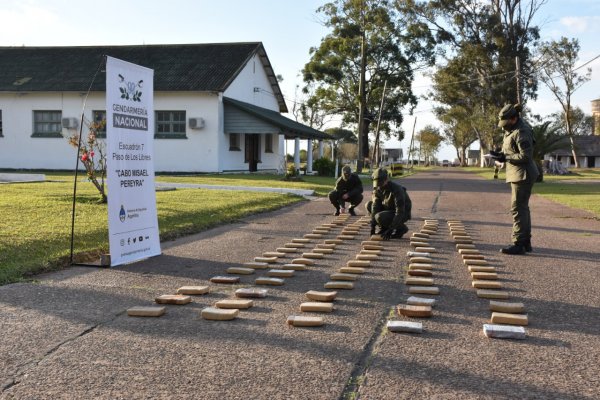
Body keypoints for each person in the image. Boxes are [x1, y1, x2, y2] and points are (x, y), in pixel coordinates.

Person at [489, 103, 539, 255]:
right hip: (517, 173)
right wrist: (500, 155)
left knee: (518, 208)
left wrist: (506, 157)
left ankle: (519, 243)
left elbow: (525, 156)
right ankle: (525, 242)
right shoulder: (511, 129)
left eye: (506, 122)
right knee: (522, 208)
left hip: (523, 174)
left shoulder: (522, 131)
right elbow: (510, 149)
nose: (503, 126)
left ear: (514, 118)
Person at [365, 168, 412, 240]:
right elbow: (375, 206)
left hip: (402, 213)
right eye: (377, 183)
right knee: (369, 205)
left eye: (380, 183)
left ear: (386, 179)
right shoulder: (378, 188)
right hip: (388, 209)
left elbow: (400, 212)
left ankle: (401, 228)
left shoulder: (397, 190)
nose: (379, 186)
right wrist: (373, 225)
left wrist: (391, 229)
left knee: (379, 217)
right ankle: (383, 228)